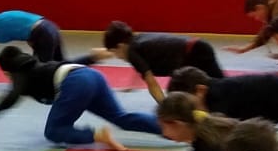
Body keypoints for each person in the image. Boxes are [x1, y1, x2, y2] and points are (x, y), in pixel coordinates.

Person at [0, 46, 163, 151]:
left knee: (53, 132)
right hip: (92, 77)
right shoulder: (38, 66)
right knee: (121, 117)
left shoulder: (20, 74)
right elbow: (68, 64)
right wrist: (91, 58)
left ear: (7, 70)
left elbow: (11, 96)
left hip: (76, 83)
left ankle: (97, 136)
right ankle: (173, 128)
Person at [96, 22, 225, 103]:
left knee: (218, 89)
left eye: (115, 52)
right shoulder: (138, 40)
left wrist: (164, 108)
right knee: (218, 85)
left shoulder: (131, 52)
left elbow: (151, 83)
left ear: (120, 46)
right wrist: (132, 85)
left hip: (195, 54)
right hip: (198, 47)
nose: (117, 57)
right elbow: (142, 68)